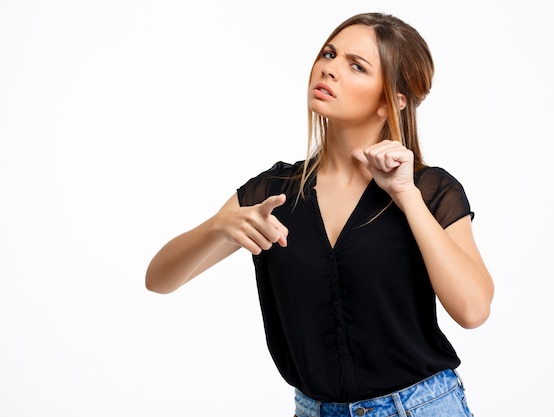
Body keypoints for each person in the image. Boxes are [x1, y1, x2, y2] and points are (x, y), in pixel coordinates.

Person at [146, 12, 494, 417]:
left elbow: (473, 310)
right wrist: (217, 227)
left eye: (356, 65)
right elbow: (159, 280)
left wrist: (406, 195)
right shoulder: (274, 193)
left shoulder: (430, 190)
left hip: (420, 408)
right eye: (329, 54)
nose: (330, 68)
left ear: (390, 101)